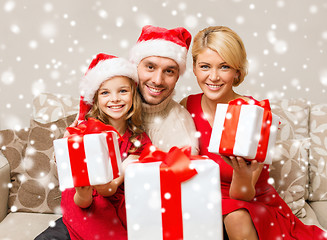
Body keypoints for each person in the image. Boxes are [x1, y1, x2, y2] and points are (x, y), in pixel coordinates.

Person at [36, 25, 199, 239]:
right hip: (83, 207)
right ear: (136, 68)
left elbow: (178, 181)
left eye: (169, 71)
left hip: (134, 210)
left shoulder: (152, 132)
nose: (158, 80)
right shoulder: (93, 120)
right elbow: (73, 182)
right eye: (150, 67)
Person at [180, 26, 327, 240]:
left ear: (237, 71)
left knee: (235, 216)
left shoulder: (254, 113)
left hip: (250, 201)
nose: (213, 76)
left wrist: (241, 172)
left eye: (224, 67)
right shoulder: (186, 106)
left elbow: (244, 194)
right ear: (193, 67)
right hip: (207, 200)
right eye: (205, 66)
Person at [36, 53, 151, 240]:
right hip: (79, 202)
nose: (115, 99)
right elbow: (79, 199)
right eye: (105, 92)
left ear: (134, 95)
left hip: (111, 203)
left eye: (123, 91)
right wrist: (82, 189)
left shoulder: (138, 142)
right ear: (96, 99)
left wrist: (99, 183)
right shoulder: (82, 132)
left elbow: (110, 188)